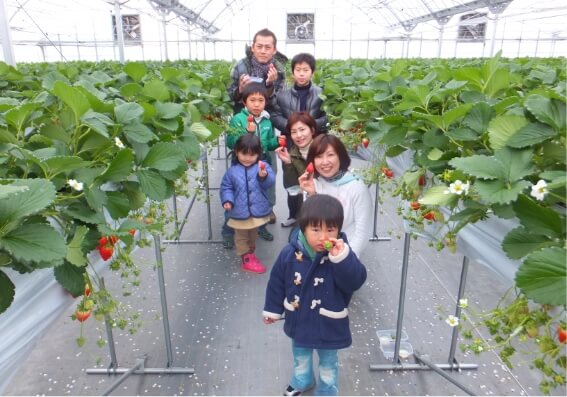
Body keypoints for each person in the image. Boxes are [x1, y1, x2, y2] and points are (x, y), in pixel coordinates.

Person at [263, 194, 367, 396]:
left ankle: (327, 390)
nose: (323, 237)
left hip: (329, 321)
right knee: (300, 355)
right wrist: (272, 310)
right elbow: (276, 283)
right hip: (299, 317)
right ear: (303, 228)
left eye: (330, 229)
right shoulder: (289, 254)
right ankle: (302, 380)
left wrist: (342, 260)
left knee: (328, 361)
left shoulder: (341, 254)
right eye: (316, 229)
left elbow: (356, 281)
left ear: (338, 230)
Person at [223, 82, 278, 247]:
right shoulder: (237, 120)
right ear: (245, 102)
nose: (256, 104)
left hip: (261, 164)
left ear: (265, 102)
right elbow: (231, 142)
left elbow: (267, 144)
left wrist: (277, 142)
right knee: (238, 198)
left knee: (261, 196)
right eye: (252, 100)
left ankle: (261, 227)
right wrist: (248, 132)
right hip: (241, 165)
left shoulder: (267, 121)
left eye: (260, 100)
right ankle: (228, 231)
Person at [298, 134, 373, 257]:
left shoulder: (356, 187)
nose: (325, 162)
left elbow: (363, 231)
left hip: (344, 251)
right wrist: (311, 194)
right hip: (316, 252)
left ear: (340, 157)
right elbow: (310, 222)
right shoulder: (314, 183)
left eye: (330, 155)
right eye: (319, 156)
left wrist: (346, 258)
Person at [220, 134, 275, 274]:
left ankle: (250, 251)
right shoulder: (232, 172)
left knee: (253, 233)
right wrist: (228, 200)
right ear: (237, 151)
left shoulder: (262, 167)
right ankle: (246, 257)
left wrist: (264, 177)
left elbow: (270, 182)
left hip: (256, 209)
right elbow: (226, 187)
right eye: (244, 153)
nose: (247, 158)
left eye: (252, 155)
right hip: (239, 210)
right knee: (241, 235)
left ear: (258, 154)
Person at [227, 28, 287, 114]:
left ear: (274, 50)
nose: (263, 51)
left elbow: (279, 103)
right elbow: (230, 96)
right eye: (259, 46)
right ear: (253, 48)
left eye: (267, 47)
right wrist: (240, 89)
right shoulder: (240, 66)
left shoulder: (279, 71)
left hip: (268, 116)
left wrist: (269, 85)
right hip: (243, 114)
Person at [274, 112, 318, 228]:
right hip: (304, 208)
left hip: (325, 204)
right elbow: (293, 188)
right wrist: (288, 163)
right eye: (293, 132)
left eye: (302, 129)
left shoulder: (323, 151)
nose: (298, 135)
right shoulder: (292, 153)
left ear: (312, 130)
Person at [271, 53, 328, 136]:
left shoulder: (321, 94)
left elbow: (328, 117)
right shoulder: (282, 95)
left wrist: (310, 125)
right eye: (298, 70)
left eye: (305, 70)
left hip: (315, 141)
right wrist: (293, 127)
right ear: (293, 72)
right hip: (290, 141)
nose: (301, 74)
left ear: (312, 72)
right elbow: (275, 116)